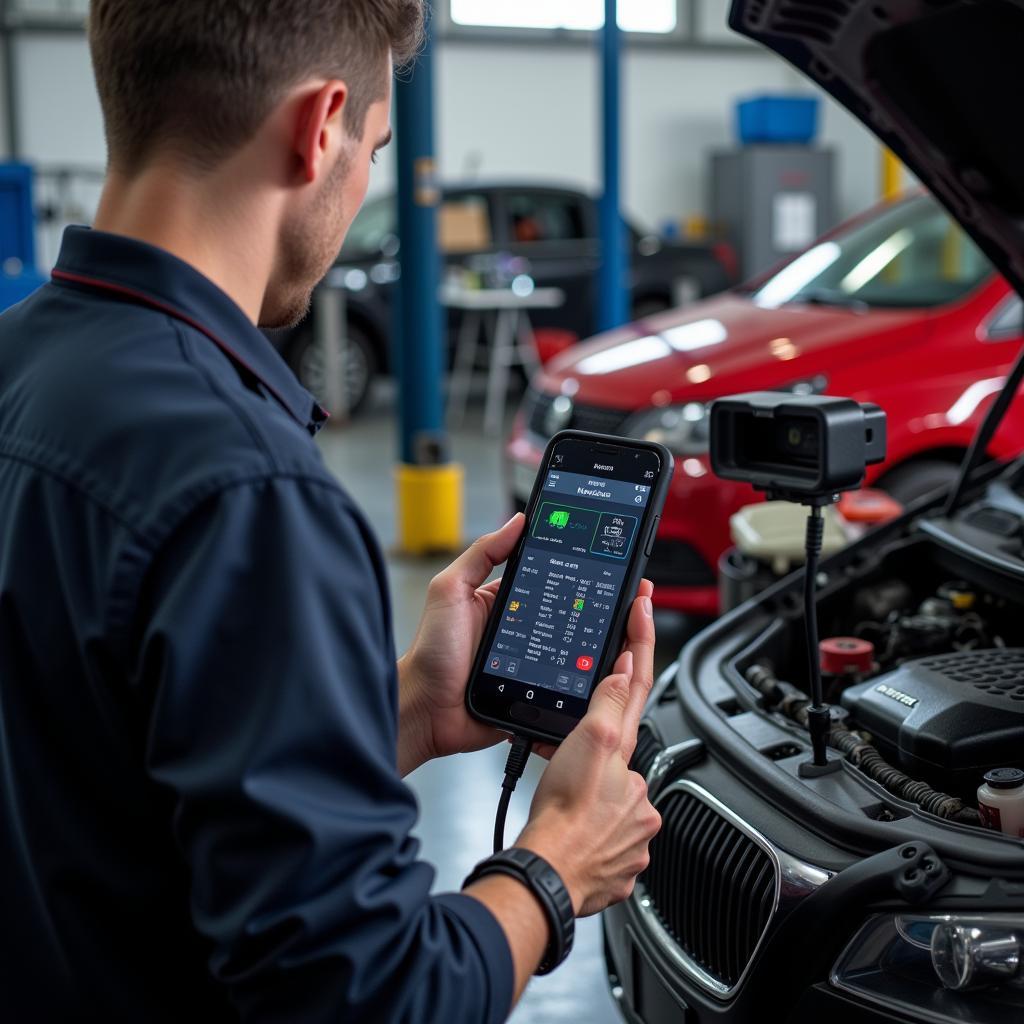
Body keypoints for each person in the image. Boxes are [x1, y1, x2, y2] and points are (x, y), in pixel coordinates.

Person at [0, 2, 662, 1021]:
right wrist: (557, 862)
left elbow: (101, 772)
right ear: (321, 128)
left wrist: (406, 709)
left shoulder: (21, 363)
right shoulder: (247, 489)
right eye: (375, 150)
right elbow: (367, 995)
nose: (362, 189)